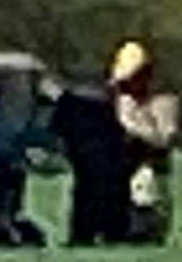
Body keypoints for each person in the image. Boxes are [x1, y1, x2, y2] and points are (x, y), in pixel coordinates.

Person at [48, 68, 129, 247]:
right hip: (80, 99)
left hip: (97, 100)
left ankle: (104, 230)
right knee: (89, 175)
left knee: (101, 175)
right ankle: (91, 231)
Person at [112, 41, 182, 245]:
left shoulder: (163, 102)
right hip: (121, 176)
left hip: (151, 173)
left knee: (146, 222)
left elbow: (164, 139)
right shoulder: (122, 101)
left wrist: (132, 126)